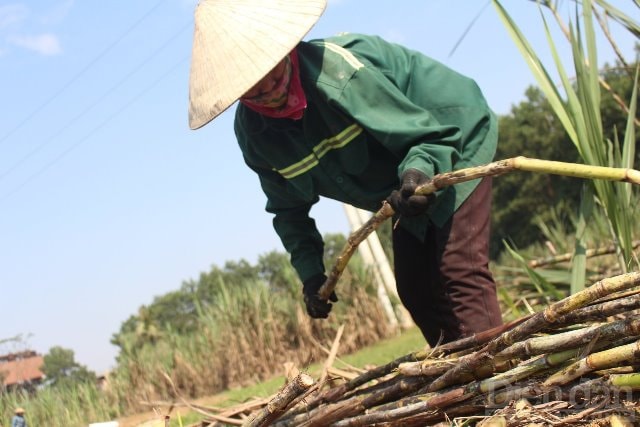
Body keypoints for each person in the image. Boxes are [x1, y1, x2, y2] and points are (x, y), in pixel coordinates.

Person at [188, 0, 503, 346]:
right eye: (256, 90)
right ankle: (459, 373)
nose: (273, 92)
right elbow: (288, 211)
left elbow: (428, 137)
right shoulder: (255, 136)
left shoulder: (337, 74)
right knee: (415, 289)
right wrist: (310, 276)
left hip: (451, 139)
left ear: (282, 50)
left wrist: (417, 173)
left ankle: (496, 377)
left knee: (459, 270)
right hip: (403, 184)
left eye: (274, 75)